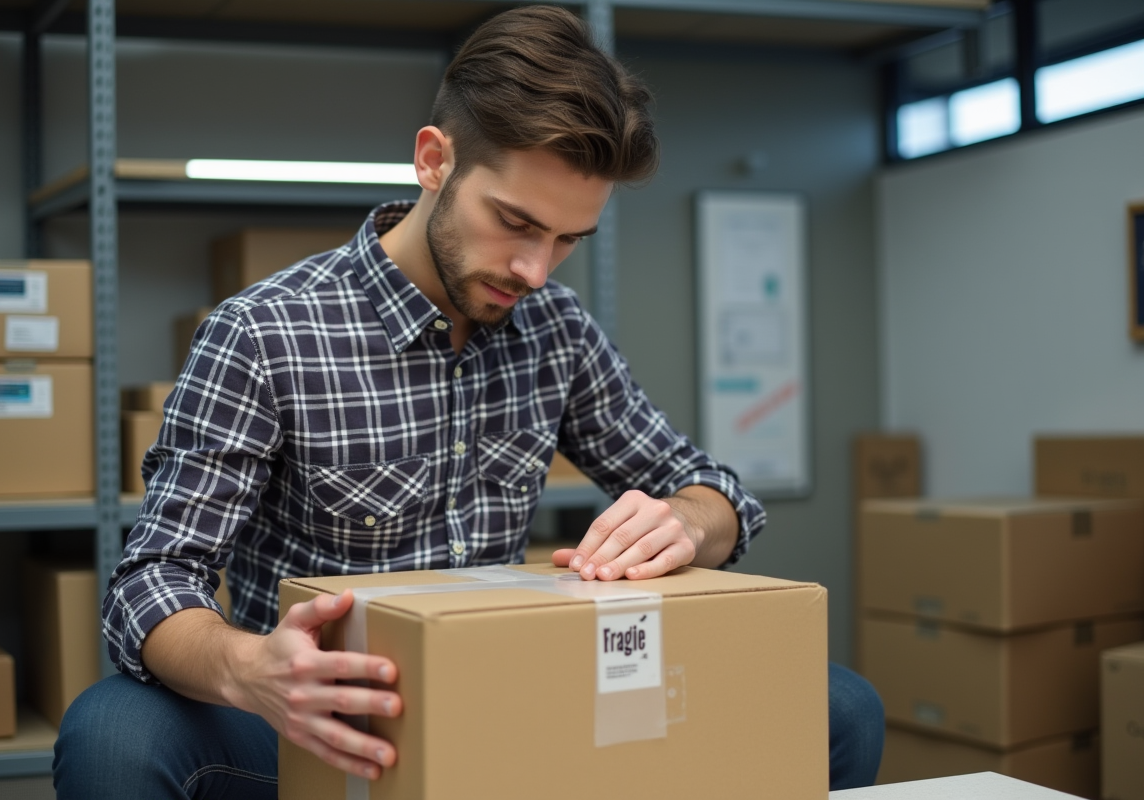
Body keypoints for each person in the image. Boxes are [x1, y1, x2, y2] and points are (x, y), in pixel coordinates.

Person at [53, 6, 882, 798]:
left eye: (567, 240)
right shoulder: (266, 333)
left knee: (840, 707)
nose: (536, 270)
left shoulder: (554, 329)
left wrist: (687, 521)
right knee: (115, 736)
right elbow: (152, 579)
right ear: (433, 160)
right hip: (328, 721)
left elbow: (713, 488)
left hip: (514, 697)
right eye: (515, 221)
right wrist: (251, 669)